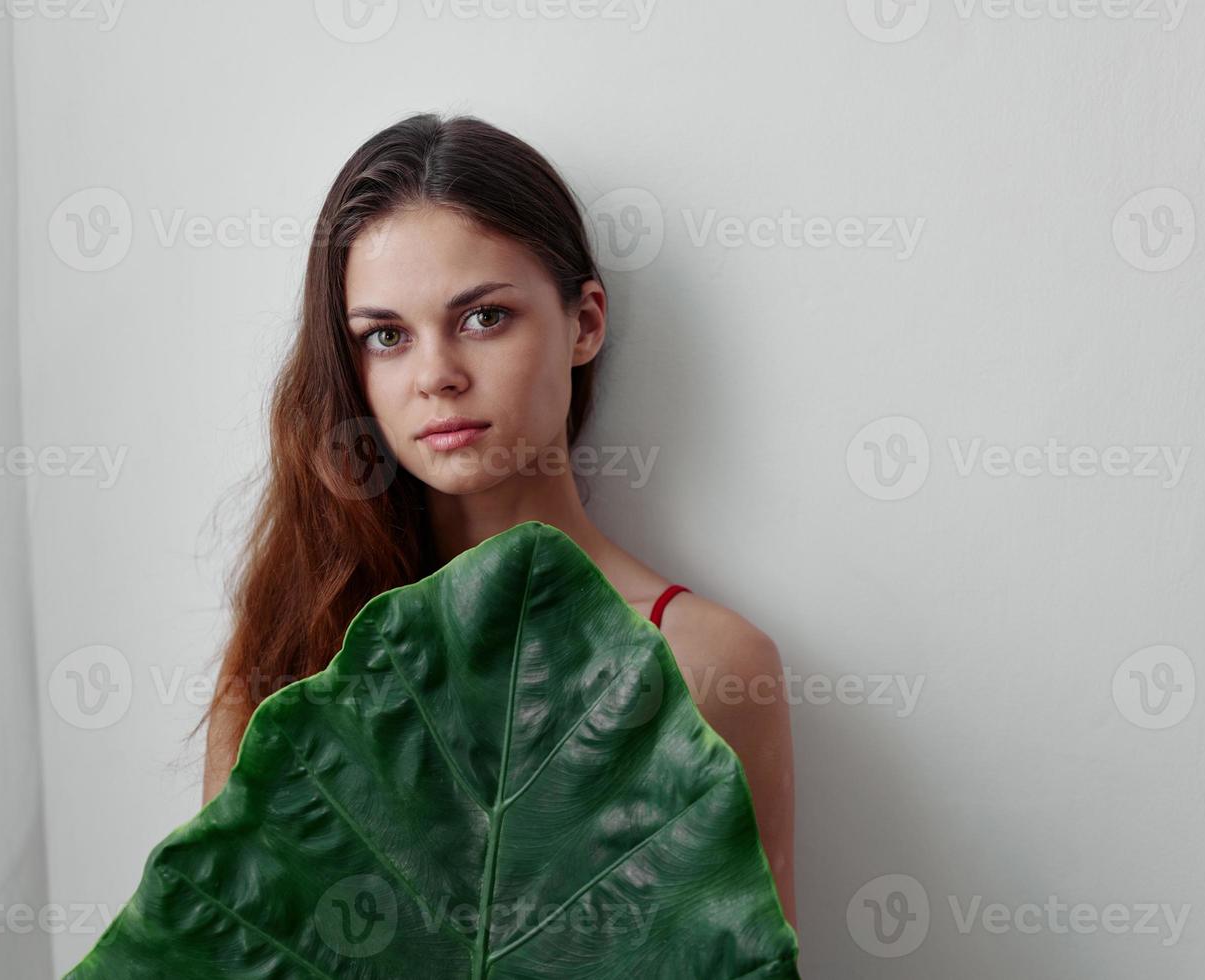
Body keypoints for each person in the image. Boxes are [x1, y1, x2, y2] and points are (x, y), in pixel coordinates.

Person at [194, 112, 797, 930]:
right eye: (385, 337)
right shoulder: (296, 645)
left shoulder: (709, 665)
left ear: (584, 323)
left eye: (482, 318)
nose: (436, 376)